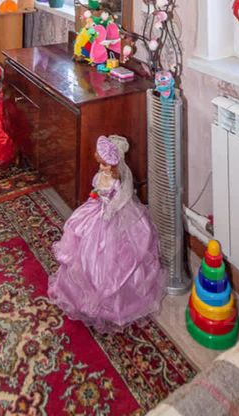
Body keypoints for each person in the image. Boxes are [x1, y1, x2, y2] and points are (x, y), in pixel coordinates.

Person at [48, 134, 165, 331]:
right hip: (96, 211)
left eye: (105, 164)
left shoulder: (116, 182)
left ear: (113, 165)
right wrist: (95, 197)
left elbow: (121, 198)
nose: (101, 167)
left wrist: (110, 209)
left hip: (110, 216)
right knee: (81, 242)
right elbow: (96, 190)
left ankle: (114, 304)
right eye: (100, 163)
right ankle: (79, 292)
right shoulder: (100, 176)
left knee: (112, 256)